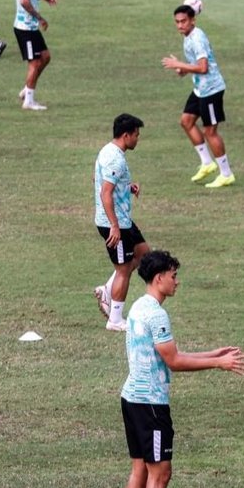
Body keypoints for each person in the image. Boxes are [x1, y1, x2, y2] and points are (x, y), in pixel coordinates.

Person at [120, 249, 244, 488]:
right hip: (151, 405)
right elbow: (174, 362)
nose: (177, 281)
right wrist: (218, 363)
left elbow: (168, 353)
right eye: (174, 275)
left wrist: (211, 353)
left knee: (140, 469)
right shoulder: (157, 314)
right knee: (160, 473)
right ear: (159, 277)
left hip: (132, 399)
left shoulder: (139, 306)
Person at [162, 4, 235, 188]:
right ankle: (207, 163)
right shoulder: (187, 36)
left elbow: (203, 67)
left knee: (210, 132)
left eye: (183, 21)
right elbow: (196, 64)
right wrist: (183, 69)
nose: (180, 25)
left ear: (193, 20)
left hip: (211, 90)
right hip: (200, 89)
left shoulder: (197, 39)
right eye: (177, 22)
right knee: (186, 121)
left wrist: (180, 64)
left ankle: (226, 174)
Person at [94, 113, 150, 331]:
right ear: (126, 135)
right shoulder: (115, 158)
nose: (138, 139)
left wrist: (127, 187)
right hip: (115, 224)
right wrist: (114, 226)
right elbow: (105, 193)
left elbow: (99, 180)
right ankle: (115, 319)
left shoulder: (107, 150)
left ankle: (106, 289)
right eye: (136, 135)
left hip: (124, 221)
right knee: (124, 270)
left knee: (144, 254)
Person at [13, 0, 57, 111]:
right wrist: (40, 18)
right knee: (34, 63)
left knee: (45, 57)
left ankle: (27, 89)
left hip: (29, 28)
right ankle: (29, 101)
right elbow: (24, 0)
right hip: (26, 28)